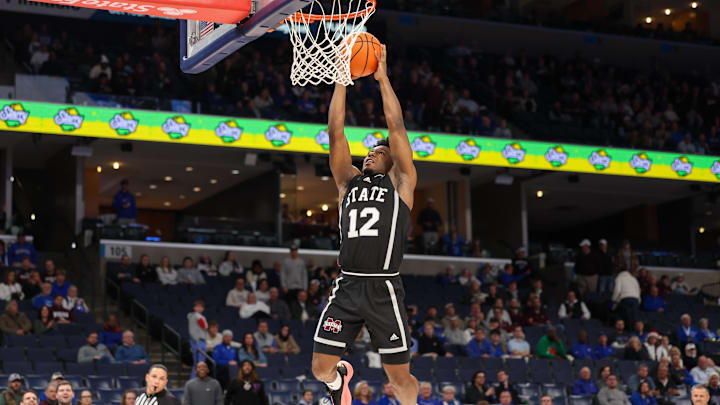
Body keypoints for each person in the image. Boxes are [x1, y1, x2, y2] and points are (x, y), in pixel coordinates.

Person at [312, 45, 418, 405]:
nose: (372, 151)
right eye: (370, 150)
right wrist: (341, 77)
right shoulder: (347, 184)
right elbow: (335, 129)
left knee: (399, 378)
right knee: (319, 368)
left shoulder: (401, 183)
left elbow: (396, 125)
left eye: (381, 150)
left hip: (383, 287)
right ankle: (338, 381)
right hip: (348, 284)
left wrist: (382, 78)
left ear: (393, 161)